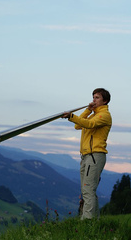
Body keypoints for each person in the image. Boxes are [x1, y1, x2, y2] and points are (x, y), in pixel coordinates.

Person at [62, 88, 112, 220]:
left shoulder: (104, 115)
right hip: (86, 156)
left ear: (105, 101)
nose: (93, 100)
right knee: (88, 191)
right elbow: (78, 126)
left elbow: (89, 124)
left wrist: (71, 116)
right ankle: (94, 220)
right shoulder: (93, 114)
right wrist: (88, 110)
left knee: (88, 190)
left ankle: (87, 221)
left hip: (95, 156)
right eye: (93, 97)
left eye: (97, 98)